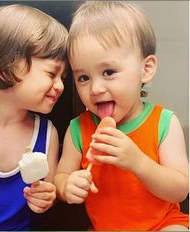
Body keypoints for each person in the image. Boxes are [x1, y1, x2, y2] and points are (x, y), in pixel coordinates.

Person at [54, 1, 189, 231]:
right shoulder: (78, 128)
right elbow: (61, 176)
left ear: (145, 69)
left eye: (109, 72)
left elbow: (180, 189)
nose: (95, 88)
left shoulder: (164, 122)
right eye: (83, 77)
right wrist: (67, 186)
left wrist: (137, 162)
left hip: (162, 224)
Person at [0, 3, 68, 230]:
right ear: (5, 66)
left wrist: (47, 197)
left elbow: (49, 194)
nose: (60, 86)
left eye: (63, 77)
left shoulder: (48, 135)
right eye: (51, 73)